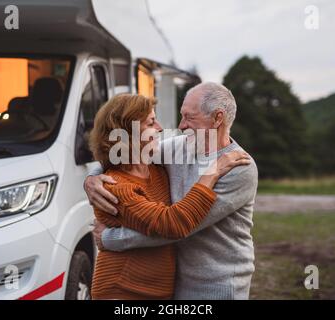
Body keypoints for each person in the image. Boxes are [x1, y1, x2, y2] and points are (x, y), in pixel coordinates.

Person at [85, 82, 258, 299]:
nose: (181, 125)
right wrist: (91, 178)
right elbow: (123, 153)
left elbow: (181, 225)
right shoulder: (177, 148)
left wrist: (112, 239)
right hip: (172, 283)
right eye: (181, 115)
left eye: (189, 117)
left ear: (217, 118)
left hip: (215, 285)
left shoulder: (238, 167)